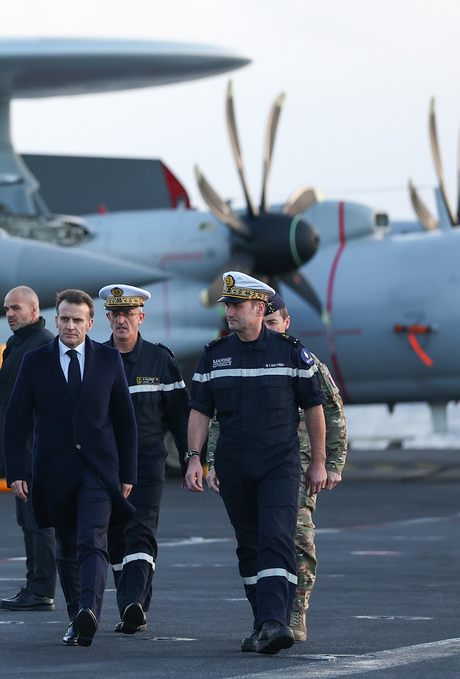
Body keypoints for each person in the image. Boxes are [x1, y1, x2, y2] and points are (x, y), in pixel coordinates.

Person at [183, 272, 327, 655]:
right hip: (233, 464)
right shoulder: (215, 355)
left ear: (259, 309)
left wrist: (320, 463)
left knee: (276, 537)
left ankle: (275, 622)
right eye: (227, 305)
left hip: (280, 462)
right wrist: (194, 459)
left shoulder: (291, 352)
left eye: (236, 305)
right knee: (248, 544)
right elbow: (200, 410)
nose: (229, 311)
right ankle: (262, 621)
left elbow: (315, 409)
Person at [205, 292, 347, 642]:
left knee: (296, 536)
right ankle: (269, 618)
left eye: (272, 323)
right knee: (255, 539)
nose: (266, 329)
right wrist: (210, 460)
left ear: (284, 324)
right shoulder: (232, 360)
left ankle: (293, 614)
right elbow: (221, 418)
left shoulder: (304, 362)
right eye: (263, 323)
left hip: (293, 465)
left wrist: (330, 463)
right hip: (248, 463)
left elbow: (332, 413)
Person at [4, 289, 138, 647]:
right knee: (65, 547)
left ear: (90, 323)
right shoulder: (36, 361)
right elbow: (15, 420)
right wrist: (15, 471)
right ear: (57, 319)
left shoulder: (109, 360)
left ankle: (89, 611)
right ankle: (76, 615)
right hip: (53, 470)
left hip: (98, 469)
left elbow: (124, 420)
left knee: (93, 540)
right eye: (64, 318)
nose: (70, 325)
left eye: (78, 319)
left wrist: (128, 474)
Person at [99, 284, 189, 635]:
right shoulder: (95, 358)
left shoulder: (160, 360)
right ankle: (130, 604)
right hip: (106, 465)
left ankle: (133, 601)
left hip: (148, 462)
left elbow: (181, 416)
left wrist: (190, 459)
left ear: (141, 316)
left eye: (128, 313)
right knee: (115, 538)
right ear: (107, 317)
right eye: (115, 314)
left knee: (141, 530)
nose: (122, 320)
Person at [0, 286, 58, 613]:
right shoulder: (17, 345)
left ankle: (41, 589)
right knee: (27, 521)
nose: (9, 314)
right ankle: (35, 585)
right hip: (21, 451)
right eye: (6, 309)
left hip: (34, 452)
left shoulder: (42, 344)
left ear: (34, 309)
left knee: (37, 522)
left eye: (15, 308)